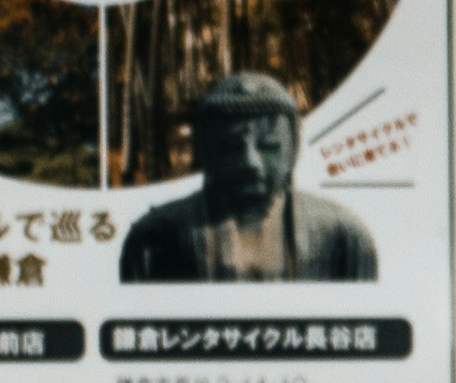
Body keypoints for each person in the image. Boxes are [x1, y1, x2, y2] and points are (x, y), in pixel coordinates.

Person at [119, 66, 378, 282]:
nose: (250, 162)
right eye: (230, 148)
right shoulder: (155, 237)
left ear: (293, 150)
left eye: (269, 146)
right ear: (205, 151)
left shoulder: (343, 236)